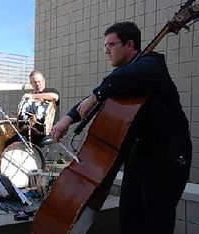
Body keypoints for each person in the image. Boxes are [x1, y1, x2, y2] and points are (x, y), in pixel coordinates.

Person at [51, 22, 192, 234]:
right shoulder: (122, 77)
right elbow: (99, 95)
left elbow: (108, 87)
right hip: (139, 155)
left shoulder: (152, 64)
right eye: (105, 45)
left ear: (129, 45)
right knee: (129, 218)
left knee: (156, 221)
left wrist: (97, 95)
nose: (106, 50)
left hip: (167, 155)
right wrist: (67, 120)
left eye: (111, 44)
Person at [11, 70, 60, 146]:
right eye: (35, 82)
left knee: (22, 143)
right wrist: (18, 118)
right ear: (31, 84)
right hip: (32, 130)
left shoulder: (51, 91)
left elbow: (55, 97)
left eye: (39, 81)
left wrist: (33, 96)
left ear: (43, 81)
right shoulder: (30, 99)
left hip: (47, 131)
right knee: (11, 141)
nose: (37, 84)